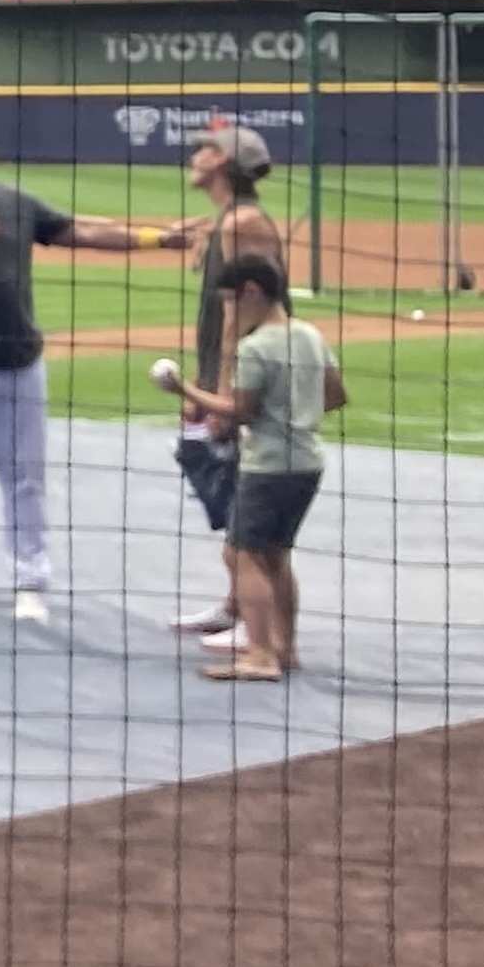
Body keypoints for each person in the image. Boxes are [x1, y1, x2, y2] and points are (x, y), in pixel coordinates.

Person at [0, 101, 189, 623]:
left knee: (25, 476)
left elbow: (83, 231)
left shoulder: (14, 201)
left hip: (20, 361)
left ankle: (31, 580)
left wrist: (156, 237)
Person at [158, 250, 344, 684]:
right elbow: (335, 394)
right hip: (308, 461)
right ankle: (285, 646)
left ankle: (260, 655)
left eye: (230, 301)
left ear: (252, 292)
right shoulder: (310, 335)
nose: (229, 312)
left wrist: (181, 388)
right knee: (276, 555)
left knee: (240, 553)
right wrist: (295, 412)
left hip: (269, 465)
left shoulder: (255, 347)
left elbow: (236, 411)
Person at [168, 123, 288, 643]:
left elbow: (242, 315)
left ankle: (259, 625)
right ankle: (237, 604)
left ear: (224, 163)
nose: (196, 155)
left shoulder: (242, 223)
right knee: (238, 496)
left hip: (255, 380)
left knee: (252, 505)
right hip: (238, 372)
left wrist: (220, 397)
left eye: (206, 149)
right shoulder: (229, 220)